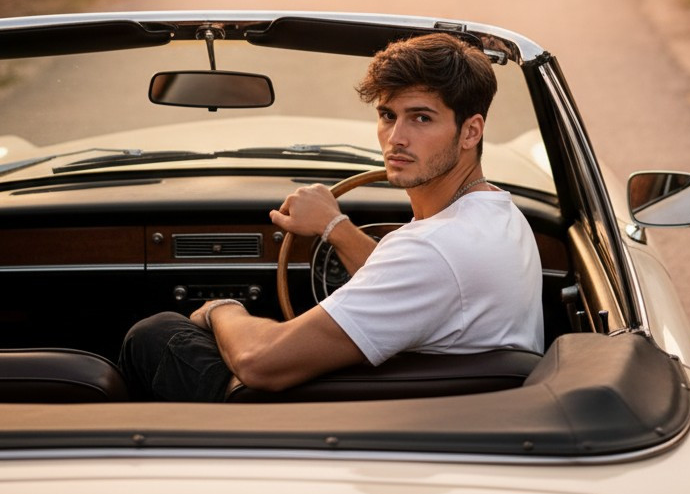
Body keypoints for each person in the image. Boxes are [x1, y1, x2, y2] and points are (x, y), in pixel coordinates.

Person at [118, 32, 544, 401]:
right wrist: (334, 227)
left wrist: (222, 309)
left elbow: (259, 362)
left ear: (471, 131)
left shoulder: (435, 249)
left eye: (421, 118)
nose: (396, 138)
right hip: (445, 414)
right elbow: (407, 283)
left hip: (347, 426)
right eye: (387, 115)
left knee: (155, 334)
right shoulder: (498, 217)